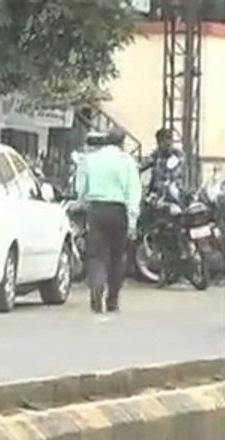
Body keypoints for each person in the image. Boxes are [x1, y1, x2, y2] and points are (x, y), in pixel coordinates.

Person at [74, 127, 142, 314]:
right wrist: (133, 220)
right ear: (122, 143)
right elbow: (133, 191)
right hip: (118, 210)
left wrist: (81, 202)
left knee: (96, 254)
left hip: (96, 209)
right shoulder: (127, 161)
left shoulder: (91, 159)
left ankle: (96, 285)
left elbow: (81, 187)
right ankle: (112, 299)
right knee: (116, 256)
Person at [141, 127, 184, 196]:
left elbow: (178, 176)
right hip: (156, 194)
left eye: (170, 139)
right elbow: (143, 165)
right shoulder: (155, 155)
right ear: (158, 142)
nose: (168, 143)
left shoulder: (177, 155)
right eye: (163, 141)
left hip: (173, 194)